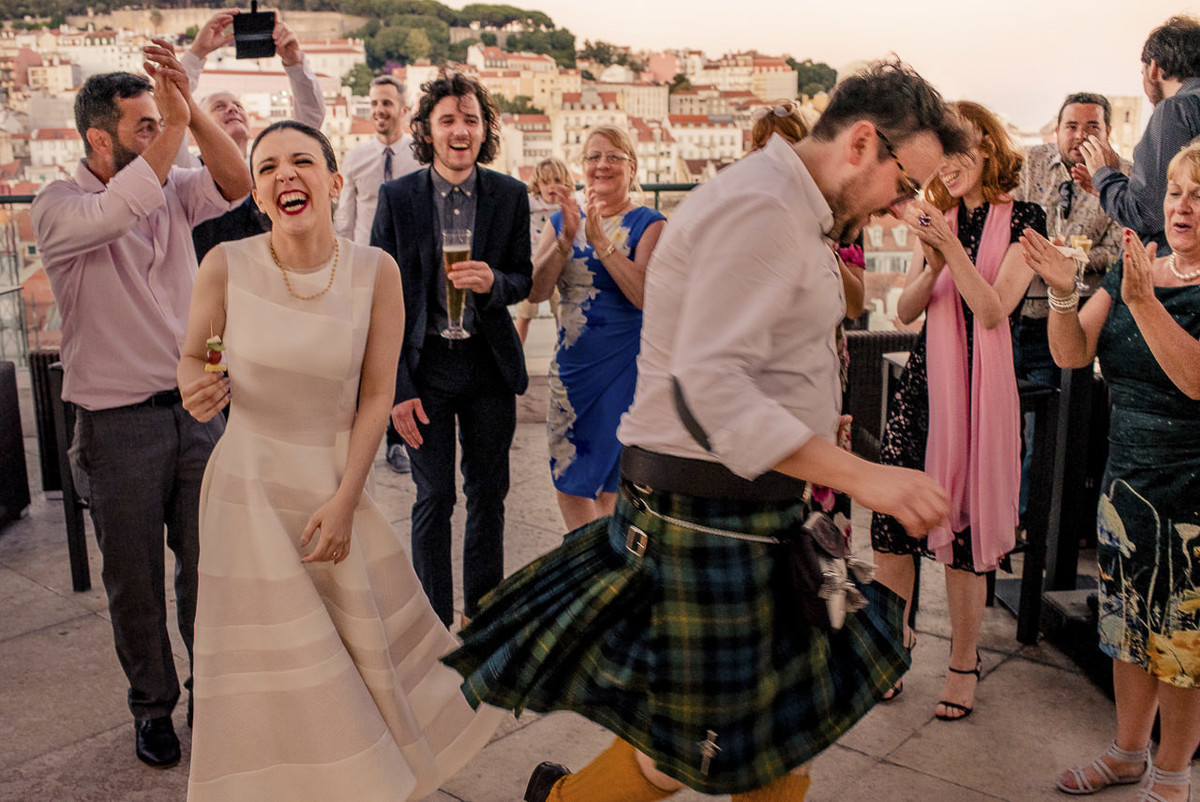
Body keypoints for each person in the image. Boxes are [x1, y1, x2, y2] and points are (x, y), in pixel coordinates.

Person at [443, 59, 962, 801]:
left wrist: (817, 414)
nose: (901, 205)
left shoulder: (793, 204)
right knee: (694, 750)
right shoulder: (763, 208)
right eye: (905, 182)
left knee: (775, 741)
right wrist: (867, 479)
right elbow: (709, 388)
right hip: (710, 516)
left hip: (750, 511)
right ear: (863, 143)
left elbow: (762, 352)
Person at [178, 120, 501, 800]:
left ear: (332, 180)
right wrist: (198, 388)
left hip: (333, 480)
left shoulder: (373, 270)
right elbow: (198, 356)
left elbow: (378, 393)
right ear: (258, 195)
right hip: (249, 495)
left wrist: (346, 501)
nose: (284, 175)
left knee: (358, 663)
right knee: (278, 671)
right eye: (267, 168)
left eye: (302, 161)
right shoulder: (224, 266)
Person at [29, 54, 251, 768]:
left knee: (210, 569)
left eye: (162, 125)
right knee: (135, 584)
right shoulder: (58, 205)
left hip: (197, 414)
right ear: (101, 140)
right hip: (115, 425)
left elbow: (238, 182)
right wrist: (176, 124)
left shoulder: (174, 186)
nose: (163, 136)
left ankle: (212, 694)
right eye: (145, 126)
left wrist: (190, 107)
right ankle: (152, 708)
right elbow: (120, 207)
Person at [1021, 143, 1200, 802]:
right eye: (1177, 192)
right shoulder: (1137, 266)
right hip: (1127, 485)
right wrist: (1064, 294)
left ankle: (1173, 777)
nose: (1182, 206)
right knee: (1127, 631)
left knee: (1183, 648)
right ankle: (1128, 754)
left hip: (1193, 498)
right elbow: (1072, 354)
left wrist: (1146, 303)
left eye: (1199, 196)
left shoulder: (1142, 282)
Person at [869, 100, 1046, 720]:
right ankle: (891, 649)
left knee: (964, 533)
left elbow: (994, 310)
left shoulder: (1026, 219)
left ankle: (963, 665)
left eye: (963, 150)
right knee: (893, 524)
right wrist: (936, 259)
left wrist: (954, 252)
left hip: (979, 395)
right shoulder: (936, 218)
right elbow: (908, 310)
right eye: (943, 155)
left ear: (992, 149)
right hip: (923, 387)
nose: (951, 165)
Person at [371, 71, 532, 629]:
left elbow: (523, 278)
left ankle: (484, 621)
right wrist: (397, 390)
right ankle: (435, 625)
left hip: (488, 364)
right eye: (448, 120)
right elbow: (379, 301)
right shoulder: (397, 200)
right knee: (433, 497)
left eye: (471, 119)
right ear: (428, 130)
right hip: (427, 368)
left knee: (489, 494)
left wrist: (497, 282)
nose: (460, 131)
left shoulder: (510, 195)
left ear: (484, 129)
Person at [529, 126, 665, 530]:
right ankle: (584, 554)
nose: (601, 165)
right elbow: (536, 291)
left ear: (632, 167)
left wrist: (602, 243)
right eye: (593, 157)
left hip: (626, 370)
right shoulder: (560, 221)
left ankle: (603, 564)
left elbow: (644, 294)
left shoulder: (650, 223)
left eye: (613, 157)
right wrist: (567, 239)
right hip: (572, 371)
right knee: (569, 475)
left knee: (614, 482)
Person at [1011, 92, 1128, 528]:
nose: (1080, 136)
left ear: (1107, 133)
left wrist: (1068, 261)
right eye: (1071, 126)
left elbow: (1117, 254)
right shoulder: (1027, 164)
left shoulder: (1122, 180)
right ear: (1057, 129)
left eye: (1092, 127)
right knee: (1005, 429)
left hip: (1072, 324)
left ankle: (1034, 526)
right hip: (1015, 315)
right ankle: (1004, 520)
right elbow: (1009, 227)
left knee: (1049, 436)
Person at [181, 9, 327, 262]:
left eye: (238, 106)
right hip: (215, 289)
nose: (232, 109)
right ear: (200, 125)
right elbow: (167, 117)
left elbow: (310, 120)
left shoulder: (269, 166)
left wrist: (293, 61)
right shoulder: (190, 172)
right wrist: (196, 54)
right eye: (219, 106)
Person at [337, 75, 422, 474]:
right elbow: (345, 218)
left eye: (387, 103)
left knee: (397, 352)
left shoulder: (420, 156)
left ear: (403, 109)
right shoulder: (355, 158)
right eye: (373, 103)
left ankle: (395, 440)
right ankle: (359, 433)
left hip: (407, 270)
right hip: (363, 267)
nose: (379, 111)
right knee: (359, 351)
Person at [1074, 15, 1200, 254]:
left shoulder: (1174, 110)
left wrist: (1105, 175)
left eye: (1142, 71)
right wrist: (1112, 185)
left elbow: (1148, 214)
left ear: (1154, 68)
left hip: (1172, 276)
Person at [514, 157, 571, 345]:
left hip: (560, 266)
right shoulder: (530, 203)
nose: (552, 187)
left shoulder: (567, 205)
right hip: (533, 266)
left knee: (560, 314)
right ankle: (515, 355)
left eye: (557, 181)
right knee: (525, 315)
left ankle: (562, 353)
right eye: (546, 182)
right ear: (538, 185)